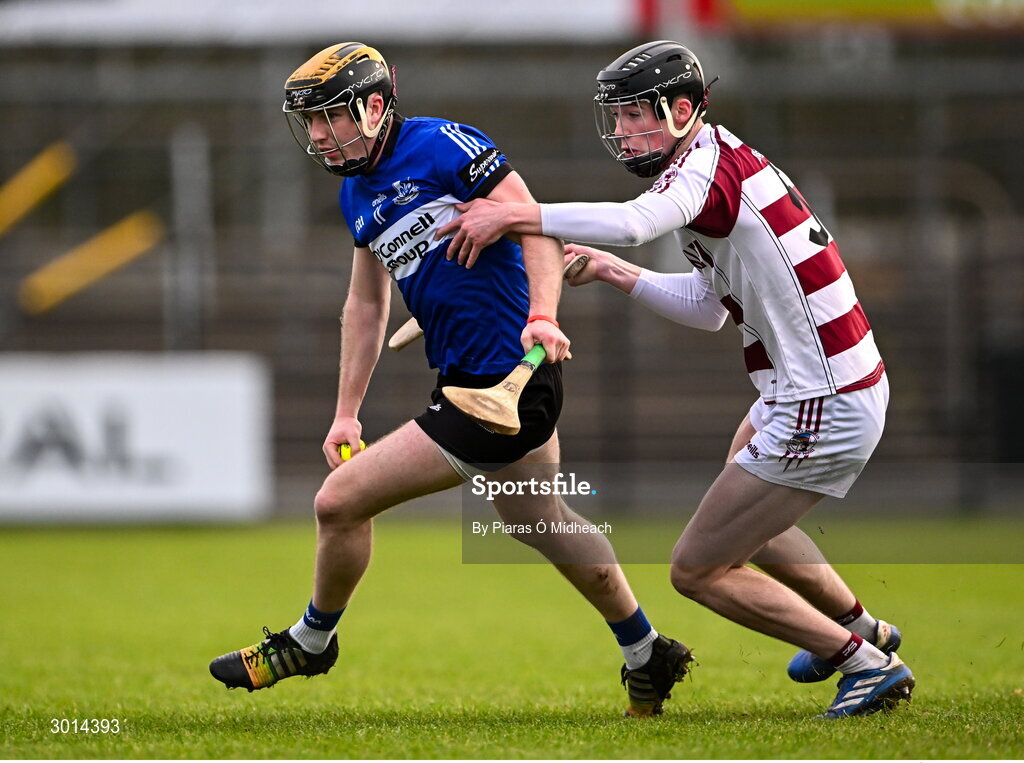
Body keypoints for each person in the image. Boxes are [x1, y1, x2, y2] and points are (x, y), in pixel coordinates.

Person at [208, 42, 693, 717]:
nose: (317, 136)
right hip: (466, 375)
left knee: (338, 501)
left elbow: (539, 228)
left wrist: (544, 316)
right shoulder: (356, 192)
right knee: (537, 518)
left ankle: (312, 639)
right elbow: (368, 304)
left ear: (374, 107)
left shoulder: (445, 148)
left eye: (329, 118)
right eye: (309, 123)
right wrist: (347, 412)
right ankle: (648, 652)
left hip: (510, 379)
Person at [437, 40, 914, 719]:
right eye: (618, 116)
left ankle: (860, 662)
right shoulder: (715, 163)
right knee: (747, 520)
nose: (623, 130)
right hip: (815, 385)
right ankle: (866, 631)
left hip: (824, 395)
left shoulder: (703, 169)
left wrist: (516, 214)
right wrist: (613, 272)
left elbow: (634, 224)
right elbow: (709, 308)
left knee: (696, 568)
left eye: (636, 115)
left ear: (682, 109)